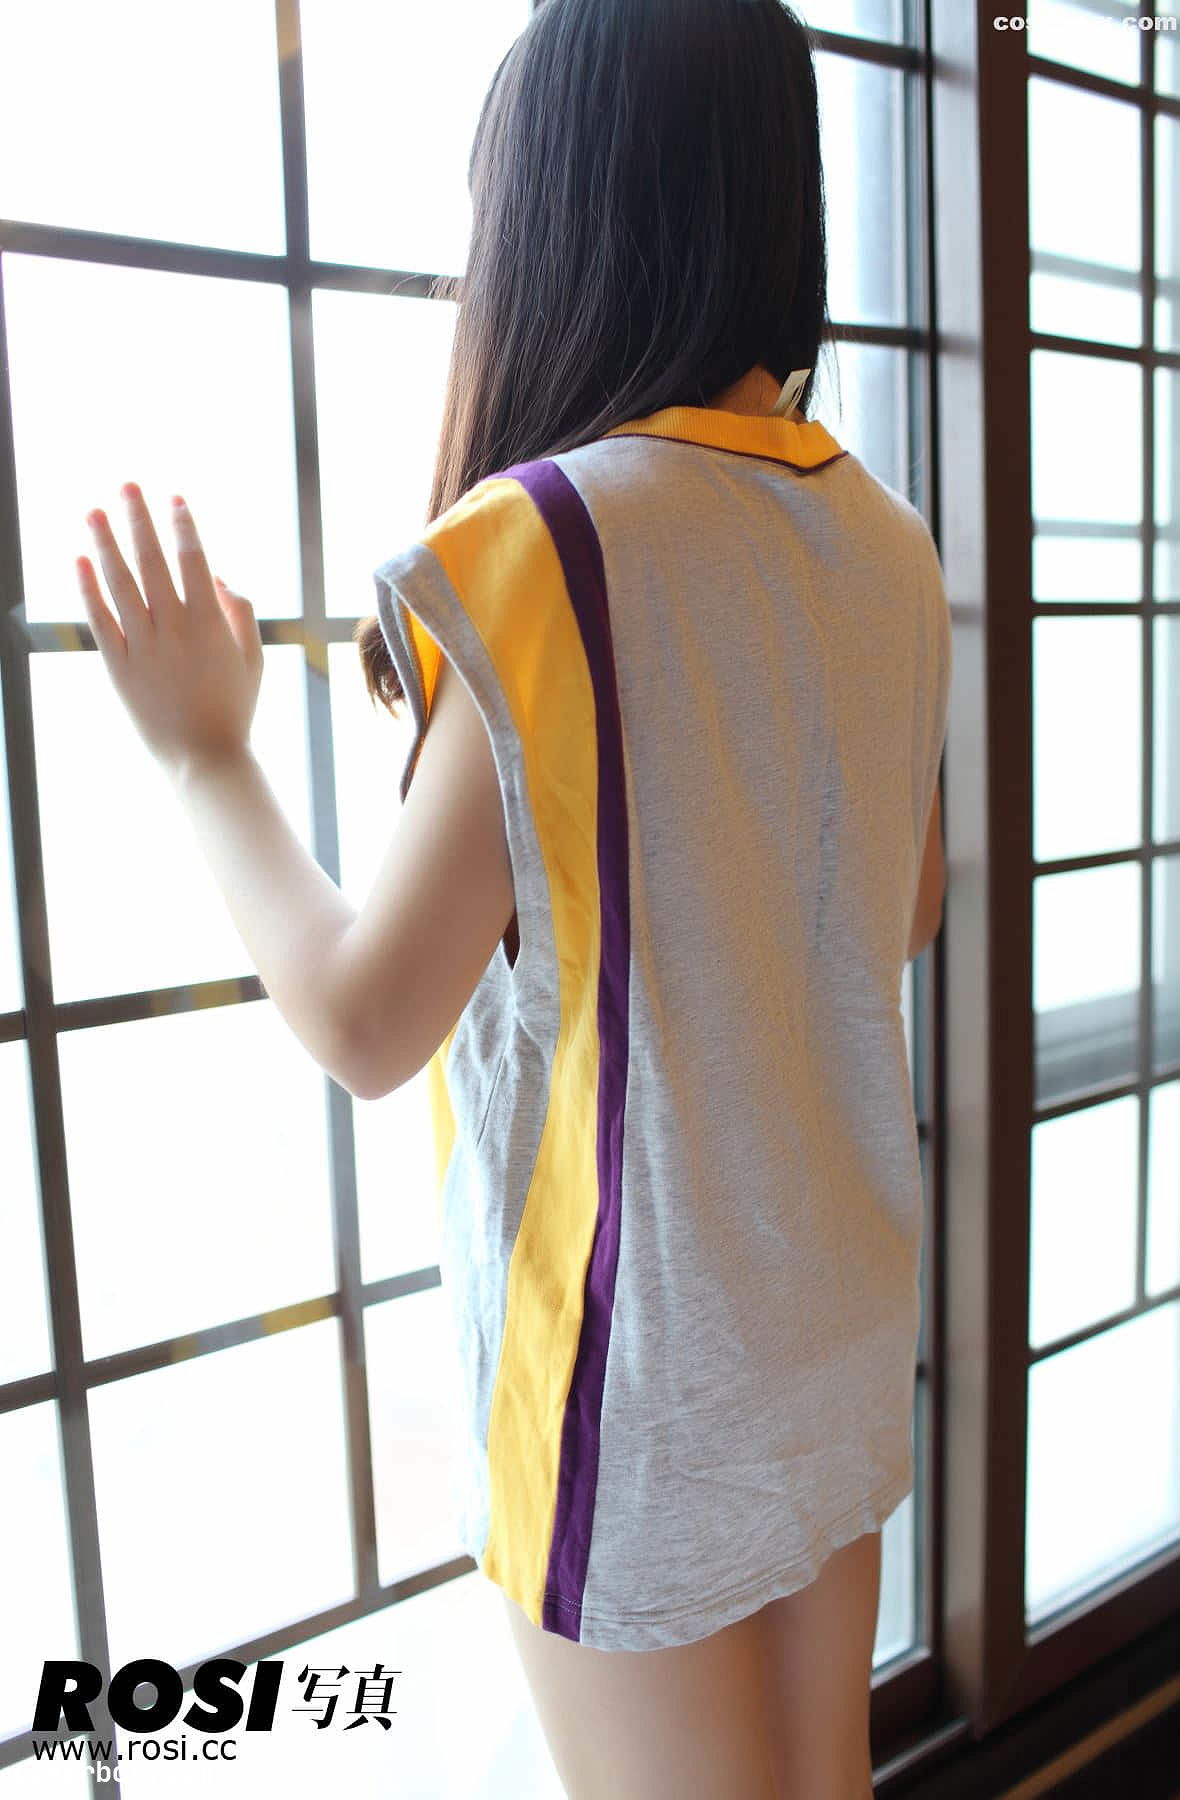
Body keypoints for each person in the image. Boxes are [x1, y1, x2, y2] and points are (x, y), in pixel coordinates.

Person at [77, 1, 950, 1794]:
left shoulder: (553, 544)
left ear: (562, 213)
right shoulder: (883, 537)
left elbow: (365, 1018)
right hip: (831, 1328)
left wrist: (205, 754)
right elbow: (909, 904)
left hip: (636, 1394)